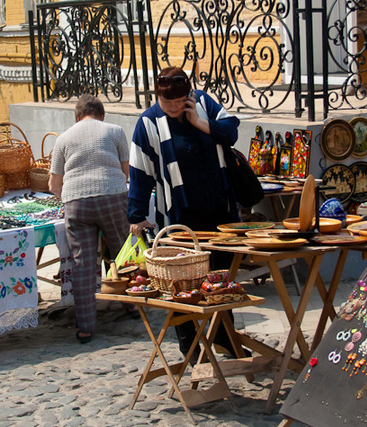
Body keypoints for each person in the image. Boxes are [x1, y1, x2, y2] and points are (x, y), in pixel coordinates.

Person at [128, 66, 243, 357]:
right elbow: (140, 170)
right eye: (167, 104)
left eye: (179, 103)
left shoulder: (204, 104)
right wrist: (137, 215)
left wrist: (201, 123)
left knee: (220, 279)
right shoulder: (149, 122)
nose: (174, 109)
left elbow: (231, 130)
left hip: (220, 213)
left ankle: (223, 336)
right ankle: (188, 343)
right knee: (181, 284)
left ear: (189, 95)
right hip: (180, 216)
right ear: (157, 98)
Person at [49, 94, 130, 344]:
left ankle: (85, 327)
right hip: (112, 196)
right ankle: (134, 305)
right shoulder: (115, 131)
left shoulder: (63, 139)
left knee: (82, 264)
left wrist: (70, 193)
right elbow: (125, 172)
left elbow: (53, 183)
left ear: (77, 116)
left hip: (76, 202)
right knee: (122, 251)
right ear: (102, 115)